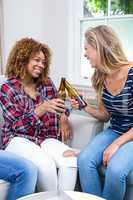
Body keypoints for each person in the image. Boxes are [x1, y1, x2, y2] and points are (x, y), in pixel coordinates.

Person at [0, 37, 77, 192]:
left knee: (70, 160)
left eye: (44, 62)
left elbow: (60, 104)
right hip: (18, 140)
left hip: (45, 138)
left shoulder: (46, 83)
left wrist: (63, 117)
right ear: (22, 59)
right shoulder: (7, 89)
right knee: (46, 165)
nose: (41, 65)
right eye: (37, 60)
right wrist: (41, 109)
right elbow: (16, 126)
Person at [77, 25, 133, 200]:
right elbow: (105, 115)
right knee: (85, 160)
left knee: (116, 170)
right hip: (116, 130)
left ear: (100, 47)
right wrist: (83, 106)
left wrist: (117, 144)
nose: (85, 54)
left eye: (87, 49)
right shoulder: (99, 77)